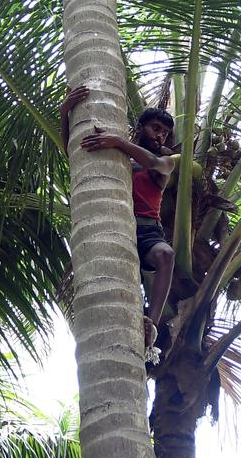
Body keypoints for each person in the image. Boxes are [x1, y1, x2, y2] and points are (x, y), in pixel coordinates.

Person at [60, 86, 177, 347]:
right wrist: (64, 111)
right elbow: (75, 153)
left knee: (166, 255)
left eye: (165, 133)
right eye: (156, 128)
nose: (160, 136)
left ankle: (152, 324)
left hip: (147, 231)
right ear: (141, 126)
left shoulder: (164, 162)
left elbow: (154, 164)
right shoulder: (117, 155)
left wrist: (118, 142)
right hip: (111, 223)